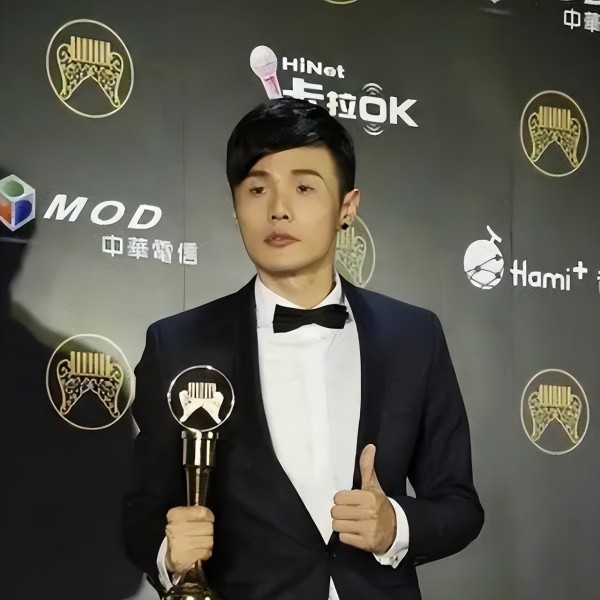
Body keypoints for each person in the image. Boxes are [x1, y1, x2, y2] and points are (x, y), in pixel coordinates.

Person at [123, 97, 484, 600]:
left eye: (304, 187)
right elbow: (143, 509)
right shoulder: (179, 344)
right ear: (234, 207)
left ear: (347, 207)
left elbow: (459, 504)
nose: (279, 208)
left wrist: (395, 525)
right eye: (257, 188)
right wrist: (170, 553)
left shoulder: (414, 336)